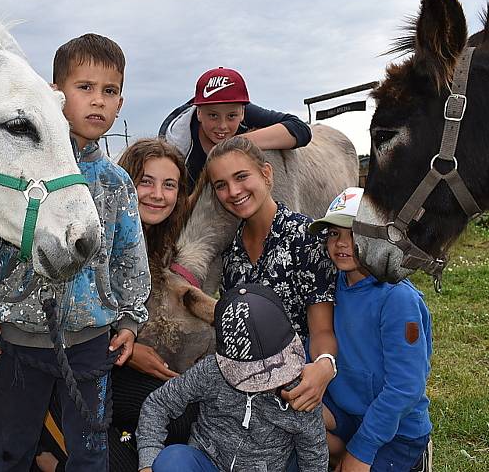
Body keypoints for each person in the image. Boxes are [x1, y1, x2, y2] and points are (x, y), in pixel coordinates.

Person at [0, 33, 151, 471]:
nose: (98, 101)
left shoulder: (115, 183)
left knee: (90, 451)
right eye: (85, 87)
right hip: (19, 339)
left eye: (109, 91)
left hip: (92, 340)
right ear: (56, 95)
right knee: (11, 445)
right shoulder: (20, 168)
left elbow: (130, 254)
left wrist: (131, 317)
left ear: (121, 102)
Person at [37, 138, 199, 472]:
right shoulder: (91, 230)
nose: (158, 194)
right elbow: (71, 311)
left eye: (169, 185)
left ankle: (104, 440)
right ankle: (45, 448)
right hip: (69, 369)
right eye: (146, 182)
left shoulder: (156, 240)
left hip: (114, 364)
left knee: (182, 415)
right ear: (126, 181)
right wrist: (126, 350)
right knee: (122, 464)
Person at [203, 135, 338, 414]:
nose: (233, 191)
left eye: (241, 177)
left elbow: (322, 329)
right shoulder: (230, 252)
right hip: (249, 386)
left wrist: (325, 364)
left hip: (301, 385)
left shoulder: (307, 237)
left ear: (266, 174)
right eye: (221, 185)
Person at [136, 283, 329, 472]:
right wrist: (148, 459)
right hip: (206, 460)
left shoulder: (302, 391)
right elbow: (159, 403)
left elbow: (314, 454)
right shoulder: (211, 371)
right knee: (172, 460)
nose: (267, 380)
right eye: (254, 373)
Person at [307, 188, 433, 472]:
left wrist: (363, 449)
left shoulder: (397, 298)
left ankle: (411, 460)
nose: (341, 243)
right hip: (347, 411)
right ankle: (341, 454)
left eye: (353, 233)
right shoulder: (330, 287)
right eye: (334, 234)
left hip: (396, 428)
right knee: (285, 425)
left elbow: (406, 386)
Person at [159, 66, 312, 193]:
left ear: (243, 112)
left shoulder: (242, 110)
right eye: (213, 115)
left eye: (231, 116)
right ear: (198, 112)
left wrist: (236, 143)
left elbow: (300, 129)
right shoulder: (176, 145)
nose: (222, 125)